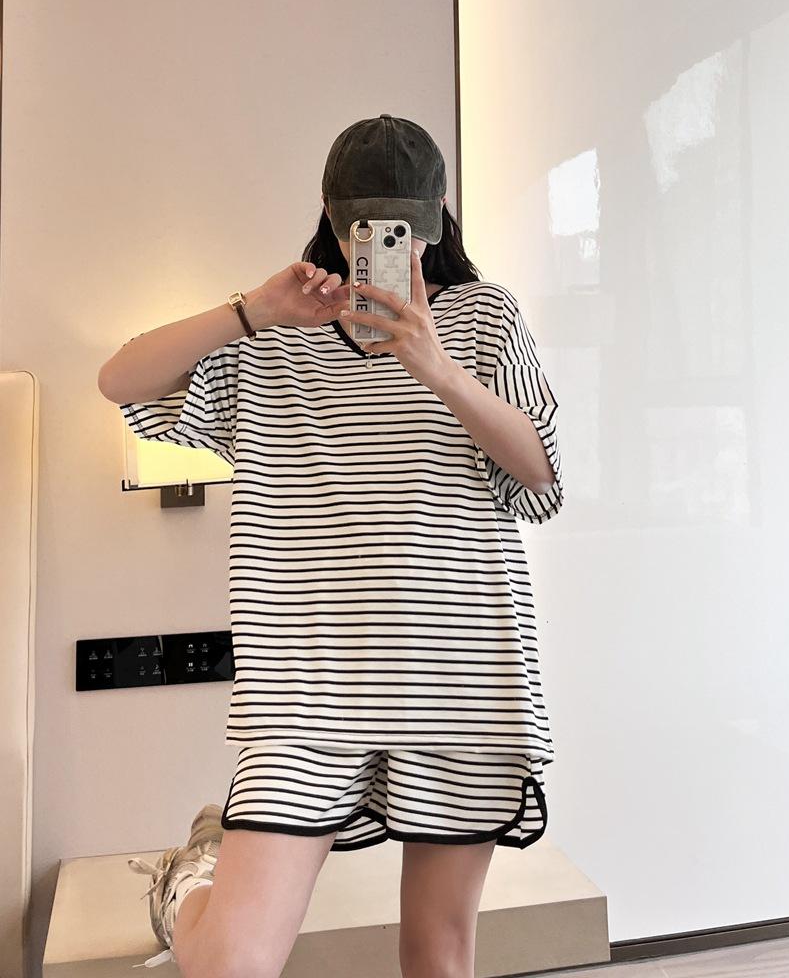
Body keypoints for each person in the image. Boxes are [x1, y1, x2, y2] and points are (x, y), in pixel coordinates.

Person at [99, 114, 565, 977]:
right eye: (367, 227)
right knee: (231, 964)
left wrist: (436, 367)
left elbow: (539, 474)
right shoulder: (270, 334)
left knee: (438, 956)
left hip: (458, 676)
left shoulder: (485, 316)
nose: (388, 246)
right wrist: (251, 311)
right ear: (331, 215)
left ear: (438, 215)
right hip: (304, 690)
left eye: (404, 228)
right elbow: (118, 380)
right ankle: (187, 883)